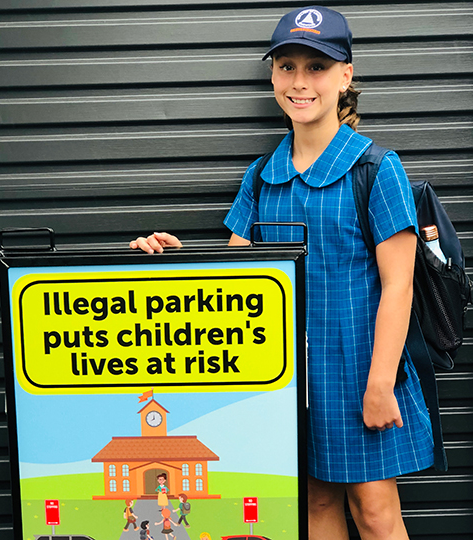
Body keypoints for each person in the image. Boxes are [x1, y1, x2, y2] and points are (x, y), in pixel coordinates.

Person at [130, 6, 435, 539]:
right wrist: (169, 257)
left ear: (346, 77)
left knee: (375, 512)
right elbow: (230, 278)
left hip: (359, 370)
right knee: (313, 507)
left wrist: (381, 383)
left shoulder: (375, 168)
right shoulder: (262, 176)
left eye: (318, 67)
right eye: (287, 66)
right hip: (287, 379)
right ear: (272, 75)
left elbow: (398, 284)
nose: (300, 82)